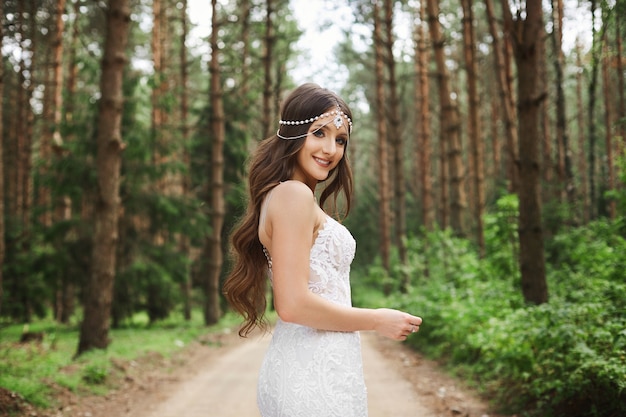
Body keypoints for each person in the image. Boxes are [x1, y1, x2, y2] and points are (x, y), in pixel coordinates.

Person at [223, 83, 422, 417]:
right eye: (319, 133)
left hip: (321, 368)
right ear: (294, 133)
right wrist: (376, 320)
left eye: (340, 139)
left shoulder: (290, 196)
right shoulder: (293, 196)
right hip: (311, 377)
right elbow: (292, 304)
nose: (331, 149)